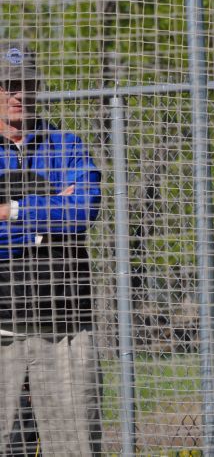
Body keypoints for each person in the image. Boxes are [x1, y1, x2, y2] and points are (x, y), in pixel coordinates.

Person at [0, 40, 102, 455]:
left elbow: (84, 209)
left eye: (27, 84)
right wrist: (52, 211)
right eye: (9, 85)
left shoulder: (66, 144)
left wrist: (13, 210)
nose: (19, 94)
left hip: (65, 327)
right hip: (2, 330)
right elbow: (67, 210)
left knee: (75, 446)